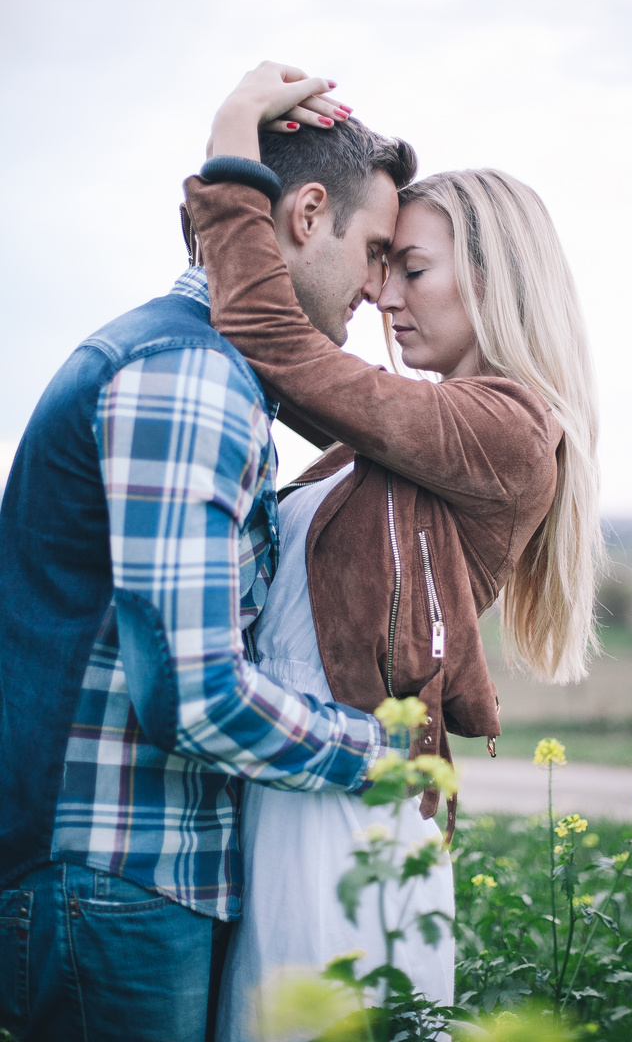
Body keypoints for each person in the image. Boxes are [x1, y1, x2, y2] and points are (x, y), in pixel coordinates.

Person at [182, 63, 604, 1040]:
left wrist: (233, 142)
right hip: (300, 789)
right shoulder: (402, 437)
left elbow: (267, 336)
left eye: (408, 267)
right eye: (381, 266)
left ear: (496, 279)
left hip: (351, 820)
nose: (381, 295)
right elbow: (274, 359)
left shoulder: (508, 428)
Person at [0, 72, 416, 1042]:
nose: (378, 289)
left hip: (118, 880)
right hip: (114, 883)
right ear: (309, 214)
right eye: (375, 251)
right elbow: (195, 696)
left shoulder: (190, 360)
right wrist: (388, 757)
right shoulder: (188, 374)